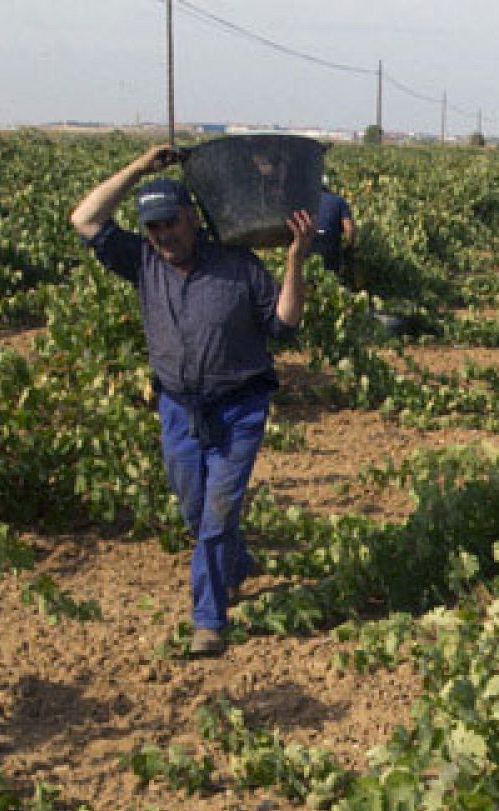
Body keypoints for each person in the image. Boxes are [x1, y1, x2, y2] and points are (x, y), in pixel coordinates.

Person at [70, 144, 316, 658]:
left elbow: (285, 323)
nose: (163, 236)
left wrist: (295, 259)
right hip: (179, 408)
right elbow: (85, 217)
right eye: (153, 227)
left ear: (192, 218)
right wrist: (139, 166)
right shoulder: (141, 261)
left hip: (239, 407)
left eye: (171, 224)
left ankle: (209, 618)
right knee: (194, 510)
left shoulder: (238, 264)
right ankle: (236, 564)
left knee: (216, 513)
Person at [312, 180, 356, 276]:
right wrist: (348, 249)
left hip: (308, 244)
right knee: (332, 277)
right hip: (329, 245)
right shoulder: (339, 201)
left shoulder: (305, 201)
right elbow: (350, 230)